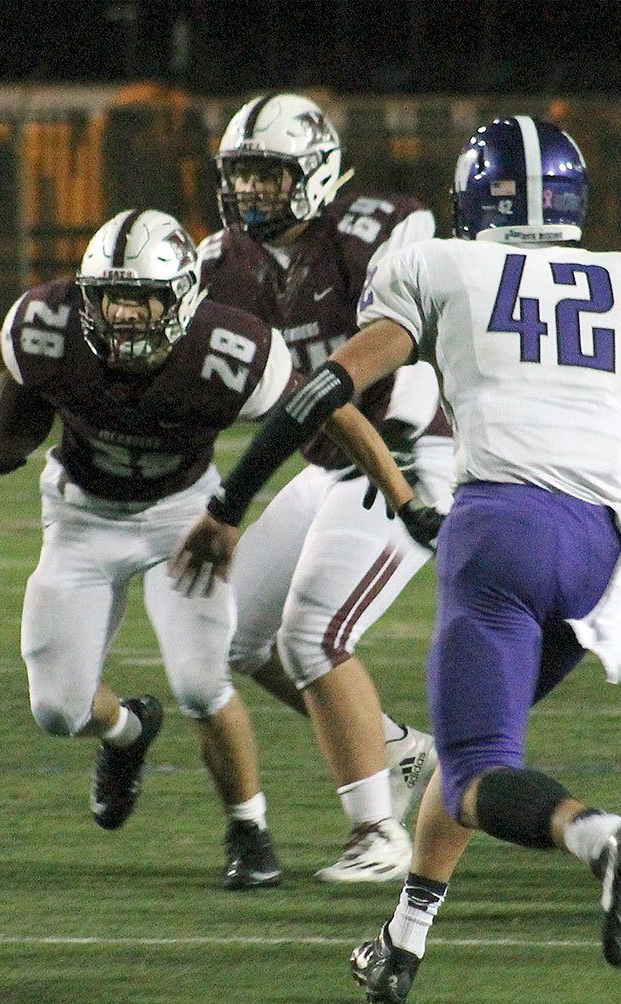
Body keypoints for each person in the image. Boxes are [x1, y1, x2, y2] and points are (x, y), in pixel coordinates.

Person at [173, 115, 621, 1003]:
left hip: (501, 532)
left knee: (478, 766)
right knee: (476, 749)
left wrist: (232, 498)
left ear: (473, 196)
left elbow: (332, 386)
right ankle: (402, 941)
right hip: (604, 550)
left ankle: (601, 837)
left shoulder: (438, 262)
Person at [0, 208, 294, 889]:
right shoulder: (48, 321)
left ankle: (249, 828)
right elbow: (8, 348)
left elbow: (303, 410)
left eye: (142, 298)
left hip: (181, 515)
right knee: (56, 709)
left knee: (201, 680)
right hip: (82, 514)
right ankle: (128, 731)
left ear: (183, 298)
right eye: (112, 296)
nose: (125, 314)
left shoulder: (233, 348)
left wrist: (233, 507)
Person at [197, 92, 447, 882]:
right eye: (240, 177)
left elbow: (424, 341)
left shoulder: (378, 232)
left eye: (268, 177)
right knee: (232, 634)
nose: (250, 194)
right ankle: (399, 749)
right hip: (325, 462)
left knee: (314, 637)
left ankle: (378, 833)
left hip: (405, 455)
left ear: (315, 173)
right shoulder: (223, 261)